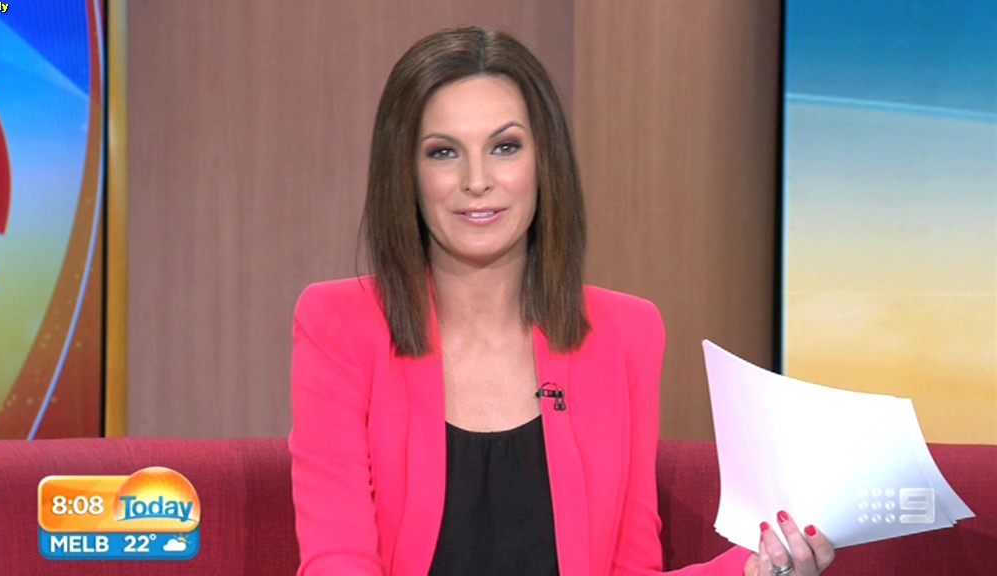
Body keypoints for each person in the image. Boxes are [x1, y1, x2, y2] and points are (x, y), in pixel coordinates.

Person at [289, 26, 836, 576]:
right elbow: (338, 558)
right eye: (443, 152)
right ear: (405, 172)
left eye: (505, 147)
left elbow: (630, 568)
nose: (477, 180)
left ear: (544, 160)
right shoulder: (338, 324)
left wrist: (754, 570)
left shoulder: (624, 333)